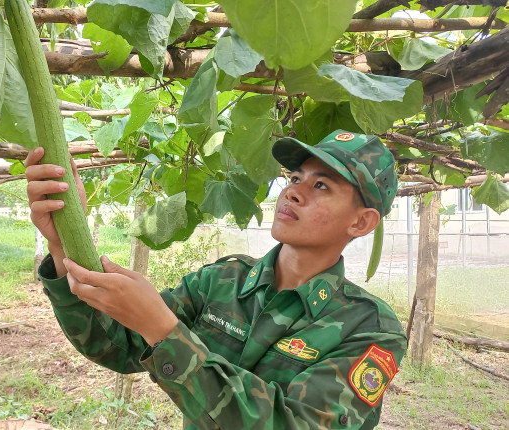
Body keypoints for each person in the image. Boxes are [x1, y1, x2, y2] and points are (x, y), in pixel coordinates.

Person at [25, 129, 407, 429]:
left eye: (321, 185)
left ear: (361, 222)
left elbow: (294, 422)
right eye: (295, 177)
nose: (292, 192)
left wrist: (162, 330)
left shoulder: (371, 328)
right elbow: (115, 345)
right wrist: (63, 244)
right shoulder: (223, 279)